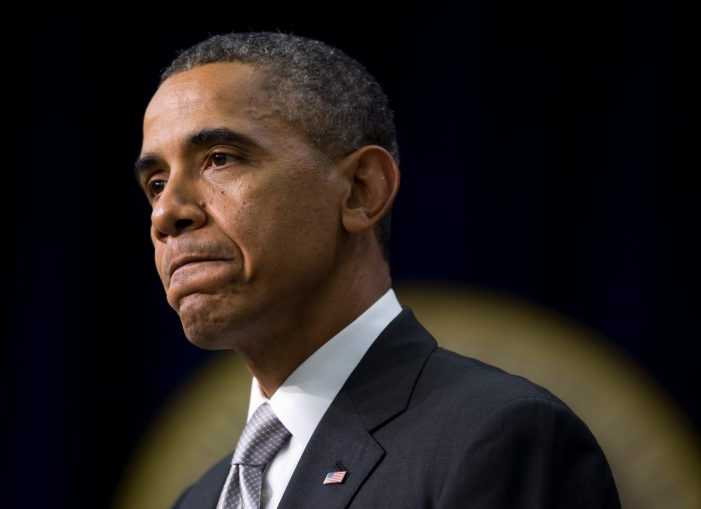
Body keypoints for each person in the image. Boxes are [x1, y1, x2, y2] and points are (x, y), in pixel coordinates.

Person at [135, 32, 621, 508]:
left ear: (360, 191)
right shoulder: (201, 499)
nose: (165, 213)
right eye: (156, 183)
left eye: (220, 159)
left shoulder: (497, 440)